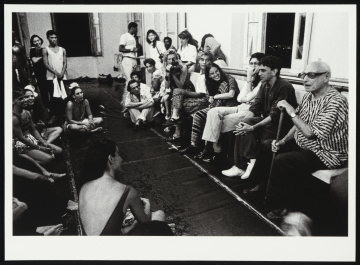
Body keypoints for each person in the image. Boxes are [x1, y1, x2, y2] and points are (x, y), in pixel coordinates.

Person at [243, 61, 348, 219]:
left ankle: (277, 205)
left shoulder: (336, 101)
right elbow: (298, 123)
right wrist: (283, 141)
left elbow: (310, 133)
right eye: (303, 75)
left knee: (283, 160)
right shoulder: (308, 97)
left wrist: (291, 111)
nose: (305, 79)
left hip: (326, 152)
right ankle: (258, 184)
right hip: (305, 145)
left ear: (326, 77)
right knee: (267, 145)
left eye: (311, 75)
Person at [222, 55, 297, 179]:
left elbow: (275, 115)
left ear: (274, 71)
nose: (258, 73)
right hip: (268, 121)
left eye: (263, 70)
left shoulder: (284, 87)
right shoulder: (264, 84)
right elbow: (256, 106)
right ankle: (240, 166)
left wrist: (253, 127)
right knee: (243, 124)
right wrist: (244, 122)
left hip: (281, 125)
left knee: (255, 130)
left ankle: (253, 163)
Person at [79, 139, 167, 235]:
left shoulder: (84, 187)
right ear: (111, 159)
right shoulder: (127, 191)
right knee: (159, 215)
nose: (121, 159)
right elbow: (145, 222)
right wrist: (147, 206)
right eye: (118, 154)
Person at [199, 52, 265, 163]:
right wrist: (250, 81)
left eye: (256, 64)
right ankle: (212, 147)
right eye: (251, 64)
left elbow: (247, 97)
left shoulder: (262, 83)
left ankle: (215, 151)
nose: (253, 67)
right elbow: (240, 98)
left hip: (251, 111)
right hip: (241, 107)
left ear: (262, 66)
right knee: (212, 112)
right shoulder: (253, 80)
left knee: (217, 121)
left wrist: (249, 78)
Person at [179, 63, 239, 153]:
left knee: (223, 85)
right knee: (197, 115)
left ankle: (207, 149)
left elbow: (231, 94)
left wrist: (215, 97)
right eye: (212, 74)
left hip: (230, 107)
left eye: (216, 71)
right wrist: (212, 100)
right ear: (209, 76)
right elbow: (209, 98)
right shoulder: (211, 82)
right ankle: (194, 145)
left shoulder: (229, 79)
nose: (215, 75)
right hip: (217, 106)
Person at [163, 51, 214, 141]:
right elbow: (167, 87)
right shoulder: (202, 73)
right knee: (175, 100)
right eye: (202, 60)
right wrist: (168, 73)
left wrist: (181, 90)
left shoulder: (209, 73)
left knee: (176, 99)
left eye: (207, 60)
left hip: (203, 99)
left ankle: (176, 123)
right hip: (191, 96)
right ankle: (176, 125)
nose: (204, 62)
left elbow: (201, 93)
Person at [13, 89, 63, 165]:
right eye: (20, 99)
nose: (24, 100)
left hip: (32, 140)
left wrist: (43, 143)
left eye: (24, 98)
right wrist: (39, 148)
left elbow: (33, 130)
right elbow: (21, 138)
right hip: (22, 145)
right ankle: (23, 161)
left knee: (59, 151)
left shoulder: (27, 112)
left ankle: (34, 155)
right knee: (49, 158)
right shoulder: (14, 118)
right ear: (13, 101)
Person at [42, 30, 68, 125]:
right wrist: (56, 73)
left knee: (63, 95)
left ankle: (63, 115)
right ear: (48, 38)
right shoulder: (45, 49)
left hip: (62, 76)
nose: (54, 39)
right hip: (51, 77)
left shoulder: (62, 49)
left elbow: (65, 62)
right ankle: (53, 115)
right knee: (54, 96)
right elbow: (46, 64)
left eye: (55, 37)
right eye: (51, 37)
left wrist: (62, 73)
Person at [29, 34, 48, 106]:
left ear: (41, 40)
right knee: (43, 89)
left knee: (48, 88)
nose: (37, 42)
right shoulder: (33, 50)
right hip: (39, 72)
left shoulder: (43, 49)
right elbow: (34, 60)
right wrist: (43, 56)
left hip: (46, 71)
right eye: (35, 41)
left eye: (38, 40)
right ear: (32, 43)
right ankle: (45, 105)